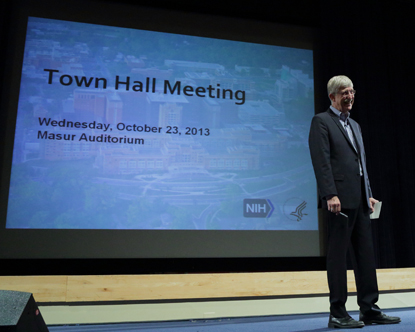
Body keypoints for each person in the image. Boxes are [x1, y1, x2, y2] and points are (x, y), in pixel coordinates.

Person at [308, 75, 401, 328]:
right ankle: (337, 312)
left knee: (365, 256)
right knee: (338, 257)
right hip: (338, 201)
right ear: (332, 97)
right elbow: (321, 161)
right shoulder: (321, 122)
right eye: (344, 93)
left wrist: (367, 191)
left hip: (360, 200)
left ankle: (369, 308)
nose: (349, 97)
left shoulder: (355, 125)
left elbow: (361, 165)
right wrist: (330, 194)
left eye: (351, 92)